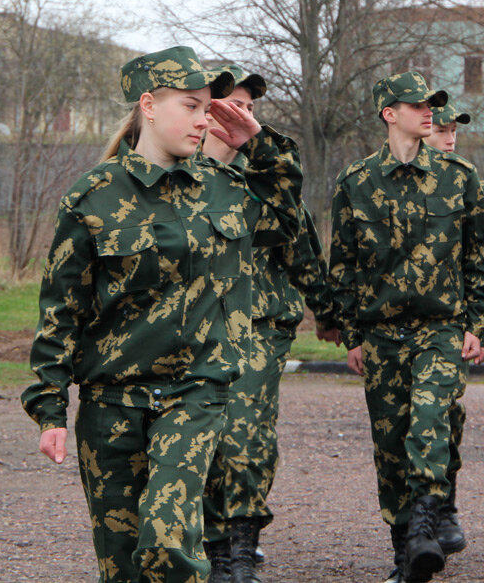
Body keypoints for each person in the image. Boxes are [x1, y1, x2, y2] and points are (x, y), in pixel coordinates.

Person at [20, 46, 302, 583]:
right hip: (110, 403)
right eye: (192, 106)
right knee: (121, 562)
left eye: (208, 109)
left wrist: (258, 146)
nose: (204, 121)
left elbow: (288, 219)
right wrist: (50, 408)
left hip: (194, 393)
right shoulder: (93, 197)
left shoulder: (226, 189)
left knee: (169, 537)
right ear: (149, 105)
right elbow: (62, 308)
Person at [328, 72, 484, 583]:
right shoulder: (356, 181)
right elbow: (344, 264)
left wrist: (479, 324)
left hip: (440, 328)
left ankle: (426, 524)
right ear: (388, 113)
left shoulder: (459, 176)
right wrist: (351, 334)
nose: (429, 112)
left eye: (432, 105)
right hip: (380, 333)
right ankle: (406, 549)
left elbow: (482, 258)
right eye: (417, 105)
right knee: (391, 439)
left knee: (429, 420)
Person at [199, 64, 339, 583]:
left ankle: (237, 547)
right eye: (232, 106)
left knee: (245, 435)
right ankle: (204, 538)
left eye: (252, 108)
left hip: (259, 324)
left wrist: (327, 311)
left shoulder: (269, 181)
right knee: (197, 436)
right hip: (192, 326)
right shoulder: (178, 176)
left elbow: (301, 241)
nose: (244, 116)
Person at [424, 101, 484, 556]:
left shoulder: (469, 182)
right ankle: (421, 516)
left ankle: (445, 504)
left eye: (455, 129)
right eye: (442, 128)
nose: (450, 136)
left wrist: (481, 326)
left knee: (445, 416)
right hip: (398, 326)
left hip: (450, 324)